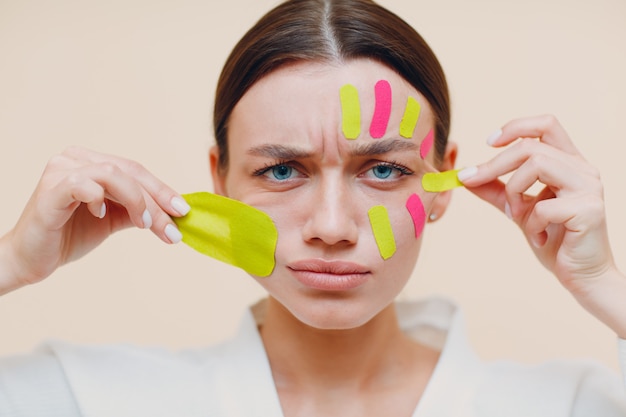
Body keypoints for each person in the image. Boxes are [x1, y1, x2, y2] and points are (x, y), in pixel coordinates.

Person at [1, 0, 625, 415]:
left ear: (440, 179)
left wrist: (606, 290)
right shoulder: (90, 399)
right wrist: (11, 262)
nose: (331, 227)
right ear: (219, 179)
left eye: (384, 170)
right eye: (281, 170)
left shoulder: (569, 404)